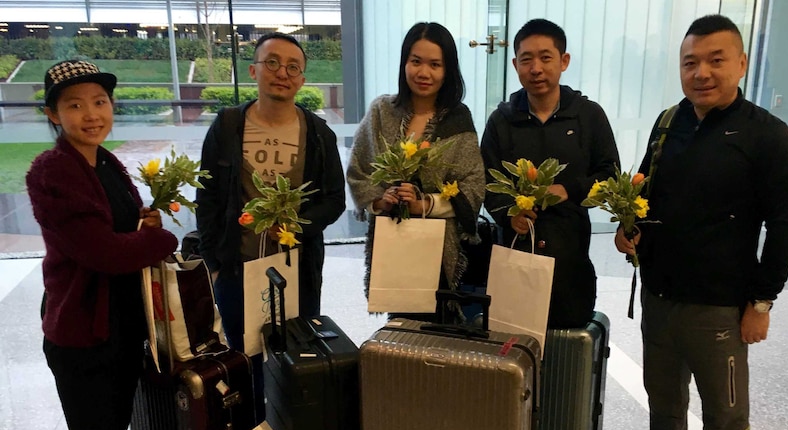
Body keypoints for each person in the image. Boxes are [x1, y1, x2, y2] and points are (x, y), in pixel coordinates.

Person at [615, 14, 788, 430]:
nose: (702, 72)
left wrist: (762, 302)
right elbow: (642, 187)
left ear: (741, 63)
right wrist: (628, 226)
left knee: (724, 411)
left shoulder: (768, 136)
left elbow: (786, 227)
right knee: (663, 391)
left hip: (720, 303)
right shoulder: (667, 122)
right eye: (691, 62)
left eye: (716, 60)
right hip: (659, 290)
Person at [26, 60, 177, 430]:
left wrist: (143, 225)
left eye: (99, 102)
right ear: (53, 113)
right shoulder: (53, 172)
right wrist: (158, 238)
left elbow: (125, 230)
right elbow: (103, 252)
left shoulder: (104, 162)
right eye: (74, 105)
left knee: (110, 426)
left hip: (115, 320)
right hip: (80, 328)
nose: (91, 114)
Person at [197, 32, 346, 340]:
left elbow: (334, 200)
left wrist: (298, 228)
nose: (282, 73)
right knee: (242, 355)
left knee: (294, 363)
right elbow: (207, 197)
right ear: (253, 70)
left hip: (297, 271)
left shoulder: (318, 135)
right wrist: (214, 264)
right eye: (273, 62)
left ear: (302, 80)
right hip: (237, 270)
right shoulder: (227, 127)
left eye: (293, 67)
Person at [481, 18, 620, 329]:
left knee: (567, 356)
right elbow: (487, 183)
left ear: (564, 61)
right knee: (512, 351)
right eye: (527, 59)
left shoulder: (588, 115)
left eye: (546, 57)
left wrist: (570, 189)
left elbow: (609, 174)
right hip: (516, 256)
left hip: (569, 261)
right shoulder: (501, 120)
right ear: (515, 64)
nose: (536, 68)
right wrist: (507, 216)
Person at [347, 22, 485, 319]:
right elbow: (358, 170)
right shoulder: (381, 112)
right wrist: (382, 200)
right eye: (416, 61)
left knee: (438, 331)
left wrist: (425, 204)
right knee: (399, 334)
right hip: (392, 246)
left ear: (448, 70)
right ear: (404, 63)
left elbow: (474, 186)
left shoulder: (457, 118)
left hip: (439, 251)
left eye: (435, 64)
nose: (424, 73)